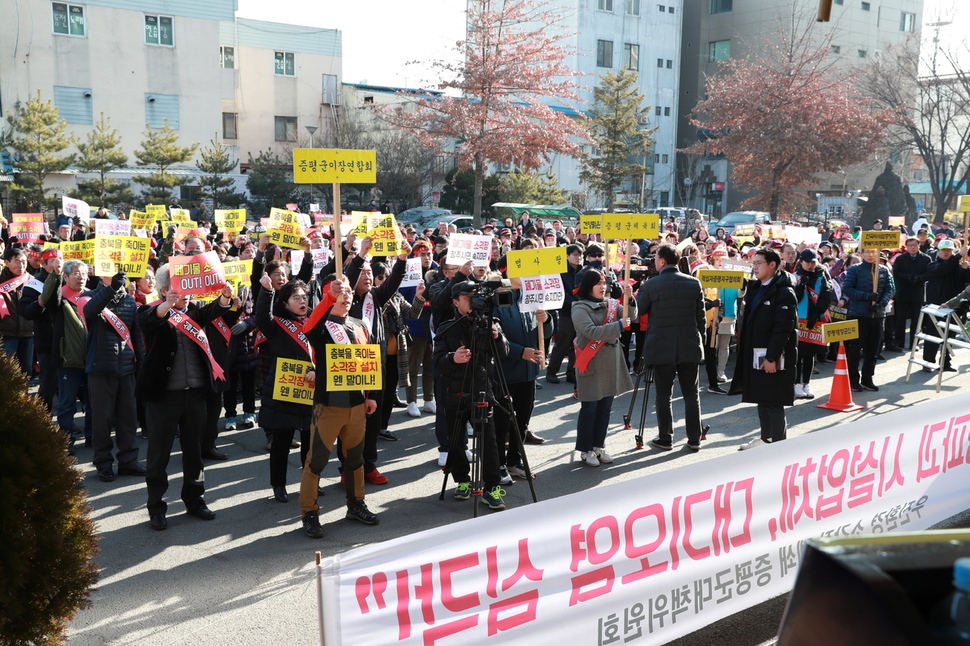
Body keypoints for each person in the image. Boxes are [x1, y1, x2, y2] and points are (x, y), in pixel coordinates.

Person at [136, 266, 233, 530]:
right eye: (180, 288)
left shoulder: (193, 312)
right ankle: (156, 506)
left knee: (194, 452)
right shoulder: (150, 311)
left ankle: (195, 499)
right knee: (159, 454)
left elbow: (212, 311)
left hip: (195, 394)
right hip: (163, 396)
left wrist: (225, 298)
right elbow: (147, 322)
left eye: (188, 288)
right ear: (165, 290)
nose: (187, 294)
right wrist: (165, 305)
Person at [300, 276, 381, 538]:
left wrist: (371, 396)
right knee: (317, 462)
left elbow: (370, 362)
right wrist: (327, 299)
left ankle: (356, 504)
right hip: (329, 406)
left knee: (356, 459)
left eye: (348, 292)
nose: (346, 296)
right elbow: (308, 330)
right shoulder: (321, 327)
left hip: (357, 406)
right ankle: (309, 512)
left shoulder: (361, 325)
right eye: (340, 292)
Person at [432, 280, 511, 509]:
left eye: (475, 296)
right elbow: (436, 361)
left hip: (482, 389)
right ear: (456, 302)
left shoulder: (490, 323)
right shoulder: (446, 326)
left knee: (488, 441)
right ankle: (462, 481)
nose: (473, 301)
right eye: (467, 297)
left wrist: (497, 337)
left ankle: (492, 487)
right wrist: (452, 358)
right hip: (454, 392)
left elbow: (504, 352)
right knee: (456, 441)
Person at [636, 244, 706, 452]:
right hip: (689, 345)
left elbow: (638, 311)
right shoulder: (694, 283)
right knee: (691, 394)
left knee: (663, 395)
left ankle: (666, 438)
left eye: (656, 258)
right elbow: (700, 319)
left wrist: (633, 295)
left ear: (662, 261)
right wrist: (698, 340)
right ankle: (694, 438)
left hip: (661, 346)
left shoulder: (651, 284)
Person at [729, 247, 798, 450]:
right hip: (755, 353)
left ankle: (778, 445)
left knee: (773, 401)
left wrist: (771, 357)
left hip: (771, 356)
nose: (755, 267)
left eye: (759, 263)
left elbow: (782, 329)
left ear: (772, 265)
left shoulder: (784, 292)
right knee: (762, 397)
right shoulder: (757, 288)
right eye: (754, 263)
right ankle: (766, 438)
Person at [254, 276, 314, 503]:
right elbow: (261, 317)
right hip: (284, 389)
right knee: (281, 443)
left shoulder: (313, 321)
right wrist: (267, 291)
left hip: (310, 387)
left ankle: (309, 482)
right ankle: (278, 485)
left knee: (310, 443)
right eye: (296, 297)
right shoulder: (276, 324)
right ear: (285, 302)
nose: (302, 301)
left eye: (304, 297)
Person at [571, 268, 636, 466]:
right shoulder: (579, 308)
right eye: (598, 283)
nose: (602, 287)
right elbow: (591, 332)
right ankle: (585, 449)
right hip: (590, 363)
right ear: (588, 286)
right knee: (589, 407)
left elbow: (630, 316)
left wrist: (629, 299)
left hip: (610, 363)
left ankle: (599, 445)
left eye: (604, 283)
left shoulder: (610, 304)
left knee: (605, 408)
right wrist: (617, 326)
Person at [841, 248, 895, 391]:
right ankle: (853, 380)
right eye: (867, 252)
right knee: (855, 350)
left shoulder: (884, 270)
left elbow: (890, 290)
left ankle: (867, 378)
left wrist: (880, 304)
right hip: (858, 314)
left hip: (877, 316)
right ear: (862, 254)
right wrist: (866, 296)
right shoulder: (854, 269)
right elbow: (847, 288)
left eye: (873, 252)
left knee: (873, 350)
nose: (871, 255)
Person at [792, 248, 834, 399]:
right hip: (799, 320)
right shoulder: (795, 276)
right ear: (801, 261)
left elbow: (827, 295)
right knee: (798, 353)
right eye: (807, 262)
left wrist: (816, 314)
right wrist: (800, 287)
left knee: (810, 353)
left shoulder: (822, 275)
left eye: (813, 262)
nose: (810, 265)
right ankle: (796, 383)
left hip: (814, 320)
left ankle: (806, 383)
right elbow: (792, 299)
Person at [891, 237, 930, 351]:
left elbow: (929, 273)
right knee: (900, 319)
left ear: (919, 245)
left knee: (916, 319)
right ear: (906, 247)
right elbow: (896, 273)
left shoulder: (926, 259)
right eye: (910, 245)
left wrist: (919, 278)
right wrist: (907, 278)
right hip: (903, 292)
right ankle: (899, 342)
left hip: (918, 292)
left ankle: (914, 343)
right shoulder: (900, 259)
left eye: (914, 245)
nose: (912, 247)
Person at [0, 247, 34, 376]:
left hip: (28, 333)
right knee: (7, 372)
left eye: (24, 261)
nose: (21, 265)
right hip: (6, 333)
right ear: (7, 262)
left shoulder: (32, 281)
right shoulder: (1, 279)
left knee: (25, 372)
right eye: (17, 261)